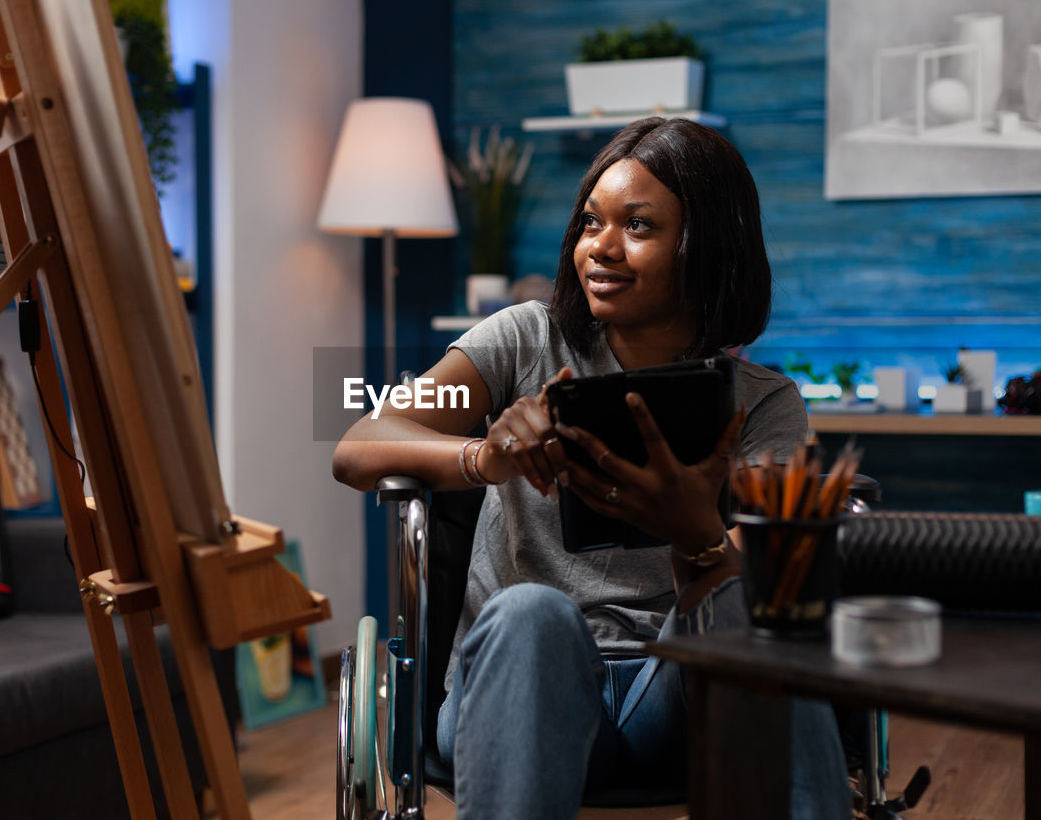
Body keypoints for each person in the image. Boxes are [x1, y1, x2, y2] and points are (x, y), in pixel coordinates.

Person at [332, 117, 850, 819]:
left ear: (706, 249)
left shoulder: (761, 407)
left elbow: (769, 598)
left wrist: (696, 532)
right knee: (532, 612)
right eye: (590, 222)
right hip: (521, 684)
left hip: (671, 700)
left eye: (637, 225)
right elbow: (360, 443)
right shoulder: (524, 341)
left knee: (760, 618)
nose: (599, 248)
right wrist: (481, 457)